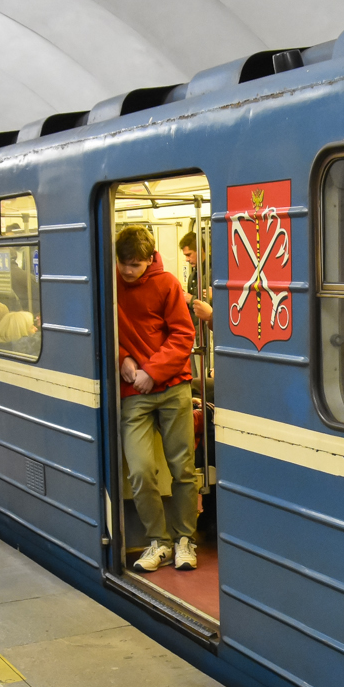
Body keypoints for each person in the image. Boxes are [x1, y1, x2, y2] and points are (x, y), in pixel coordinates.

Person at [116, 226, 200, 571]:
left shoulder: (167, 284)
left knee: (182, 469)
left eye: (135, 265)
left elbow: (184, 334)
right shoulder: (110, 283)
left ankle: (184, 539)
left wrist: (152, 371)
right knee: (140, 472)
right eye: (123, 264)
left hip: (171, 386)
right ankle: (158, 541)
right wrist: (123, 357)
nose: (127, 271)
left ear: (150, 259)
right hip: (132, 389)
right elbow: (101, 326)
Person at [179, 230, 213, 324]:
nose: (187, 259)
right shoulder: (193, 274)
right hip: (197, 328)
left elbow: (216, 305)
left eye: (189, 255)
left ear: (200, 250)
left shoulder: (214, 271)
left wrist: (191, 299)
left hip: (209, 328)